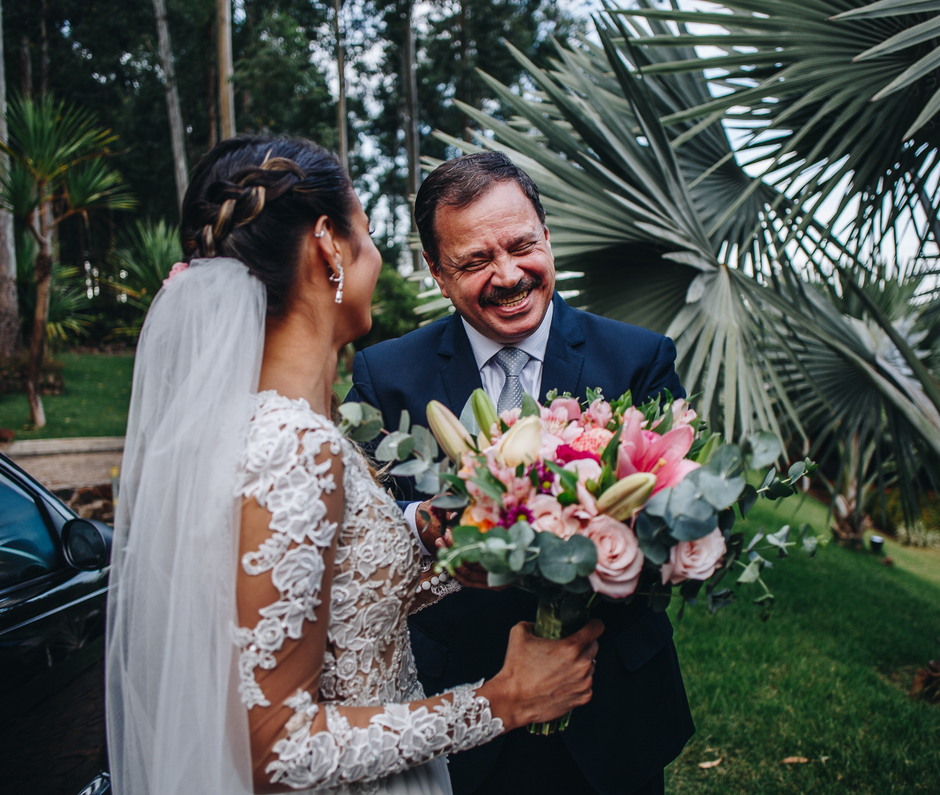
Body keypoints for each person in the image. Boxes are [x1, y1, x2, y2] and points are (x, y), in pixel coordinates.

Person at [105, 136, 604, 795]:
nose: (371, 257)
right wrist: (502, 702)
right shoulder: (293, 448)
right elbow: (276, 752)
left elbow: (329, 606)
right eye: (366, 237)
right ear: (328, 246)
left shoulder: (267, 429)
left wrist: (451, 558)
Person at [347, 151, 695, 795]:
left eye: (522, 246)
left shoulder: (638, 358)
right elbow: (369, 544)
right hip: (468, 705)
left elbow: (677, 518)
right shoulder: (385, 377)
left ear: (546, 236)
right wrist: (430, 528)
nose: (509, 275)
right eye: (475, 261)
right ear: (436, 272)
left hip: (615, 703)